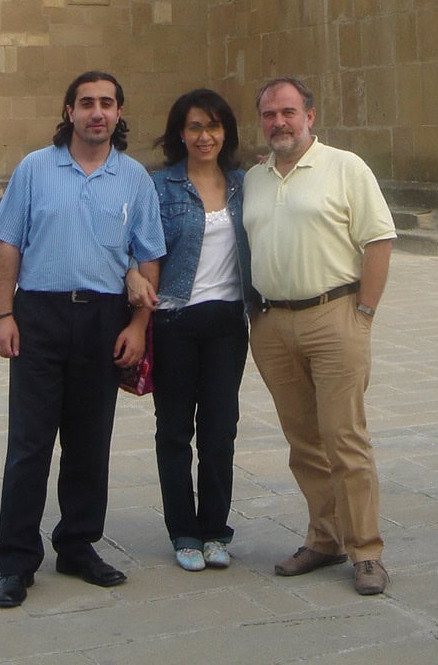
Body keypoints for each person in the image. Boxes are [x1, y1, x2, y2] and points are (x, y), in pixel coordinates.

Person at [0, 71, 165, 608]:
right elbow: (8, 246)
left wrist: (137, 327)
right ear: (69, 111)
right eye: (86, 103)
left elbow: (150, 255)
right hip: (38, 315)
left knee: (90, 443)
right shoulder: (35, 169)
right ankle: (16, 562)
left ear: (119, 113)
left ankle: (78, 545)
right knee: (29, 447)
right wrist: (3, 315)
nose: (97, 112)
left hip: (102, 320)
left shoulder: (134, 178)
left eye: (107, 103)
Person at [242, 77, 395, 596]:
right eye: (268, 115)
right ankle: (324, 538)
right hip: (271, 324)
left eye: (288, 112)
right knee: (304, 442)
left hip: (335, 315)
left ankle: (367, 550)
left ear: (310, 115)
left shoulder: (344, 167)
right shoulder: (255, 179)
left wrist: (364, 314)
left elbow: (379, 240)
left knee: (344, 437)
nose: (278, 123)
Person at [127, 89, 256, 573]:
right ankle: (183, 530)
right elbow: (135, 245)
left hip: (227, 322)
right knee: (175, 431)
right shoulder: (159, 186)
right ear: (180, 133)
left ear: (228, 132)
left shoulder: (246, 184)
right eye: (196, 127)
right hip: (174, 319)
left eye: (215, 127)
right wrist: (131, 278)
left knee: (220, 431)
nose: (206, 136)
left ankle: (216, 530)